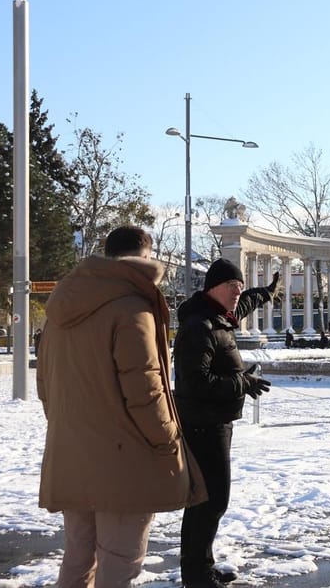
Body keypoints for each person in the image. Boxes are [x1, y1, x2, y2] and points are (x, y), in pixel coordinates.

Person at [36, 225, 206, 588]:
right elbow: (146, 390)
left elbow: (45, 387)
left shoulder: (61, 309)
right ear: (146, 255)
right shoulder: (131, 308)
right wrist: (168, 440)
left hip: (71, 452)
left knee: (78, 556)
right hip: (125, 457)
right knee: (119, 562)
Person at [173, 259, 279, 588]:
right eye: (232, 287)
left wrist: (265, 293)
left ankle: (200, 567)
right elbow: (196, 383)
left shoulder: (218, 316)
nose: (237, 293)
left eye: (239, 287)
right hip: (203, 425)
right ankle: (197, 575)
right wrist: (241, 384)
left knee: (208, 500)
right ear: (214, 288)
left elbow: (244, 304)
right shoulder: (199, 326)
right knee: (211, 500)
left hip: (216, 422)